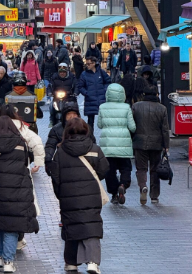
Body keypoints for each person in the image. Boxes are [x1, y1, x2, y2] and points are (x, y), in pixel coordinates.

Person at [0, 105, 45, 267]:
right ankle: (8, 261)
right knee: (11, 226)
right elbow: (26, 161)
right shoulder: (22, 142)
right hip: (17, 189)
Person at [48, 118, 109, 274]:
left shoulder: (60, 151)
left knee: (71, 225)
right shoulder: (94, 149)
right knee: (92, 225)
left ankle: (71, 262)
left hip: (69, 196)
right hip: (91, 195)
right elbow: (104, 170)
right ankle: (93, 262)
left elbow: (55, 176)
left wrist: (60, 194)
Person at [97, 83, 136, 205]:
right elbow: (132, 127)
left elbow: (99, 125)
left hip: (107, 144)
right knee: (125, 168)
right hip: (123, 144)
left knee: (110, 170)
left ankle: (114, 193)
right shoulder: (126, 107)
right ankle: (123, 184)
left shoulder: (102, 107)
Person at [132, 85, 170, 205]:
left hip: (140, 142)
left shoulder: (136, 107)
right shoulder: (162, 108)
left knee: (141, 168)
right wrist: (166, 144)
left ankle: (143, 186)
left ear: (144, 94)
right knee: (154, 169)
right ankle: (154, 195)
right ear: (157, 95)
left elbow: (132, 126)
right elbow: (165, 129)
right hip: (156, 143)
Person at [45, 102, 96, 175]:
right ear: (64, 116)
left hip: (84, 163)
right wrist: (48, 160)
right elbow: (50, 146)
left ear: (78, 115)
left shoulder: (86, 127)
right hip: (65, 164)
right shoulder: (56, 129)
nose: (72, 116)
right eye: (69, 114)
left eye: (74, 114)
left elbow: (93, 145)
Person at [79, 56, 111, 131]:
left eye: (89, 64)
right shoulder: (84, 74)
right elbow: (80, 86)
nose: (87, 65)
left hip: (101, 100)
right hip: (90, 100)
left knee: (105, 121)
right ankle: (90, 139)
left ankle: (106, 136)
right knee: (90, 122)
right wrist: (86, 93)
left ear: (94, 63)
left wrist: (104, 90)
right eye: (86, 64)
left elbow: (108, 81)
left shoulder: (101, 72)